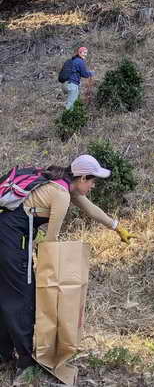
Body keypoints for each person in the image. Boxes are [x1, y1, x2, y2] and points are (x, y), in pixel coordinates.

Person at [0, 154, 136, 386]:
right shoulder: (61, 194)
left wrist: (117, 227)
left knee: (6, 294)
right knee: (22, 298)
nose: (93, 186)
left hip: (7, 233)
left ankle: (4, 356)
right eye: (92, 181)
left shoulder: (62, 185)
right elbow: (51, 241)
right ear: (82, 177)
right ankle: (25, 364)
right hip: (12, 238)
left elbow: (91, 209)